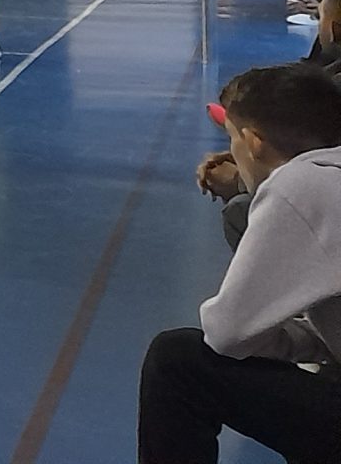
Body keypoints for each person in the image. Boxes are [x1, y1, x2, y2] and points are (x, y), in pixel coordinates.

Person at [138, 62, 341, 462]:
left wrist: (281, 342)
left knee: (176, 360)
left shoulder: (299, 186)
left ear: (253, 143)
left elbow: (228, 333)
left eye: (231, 138)